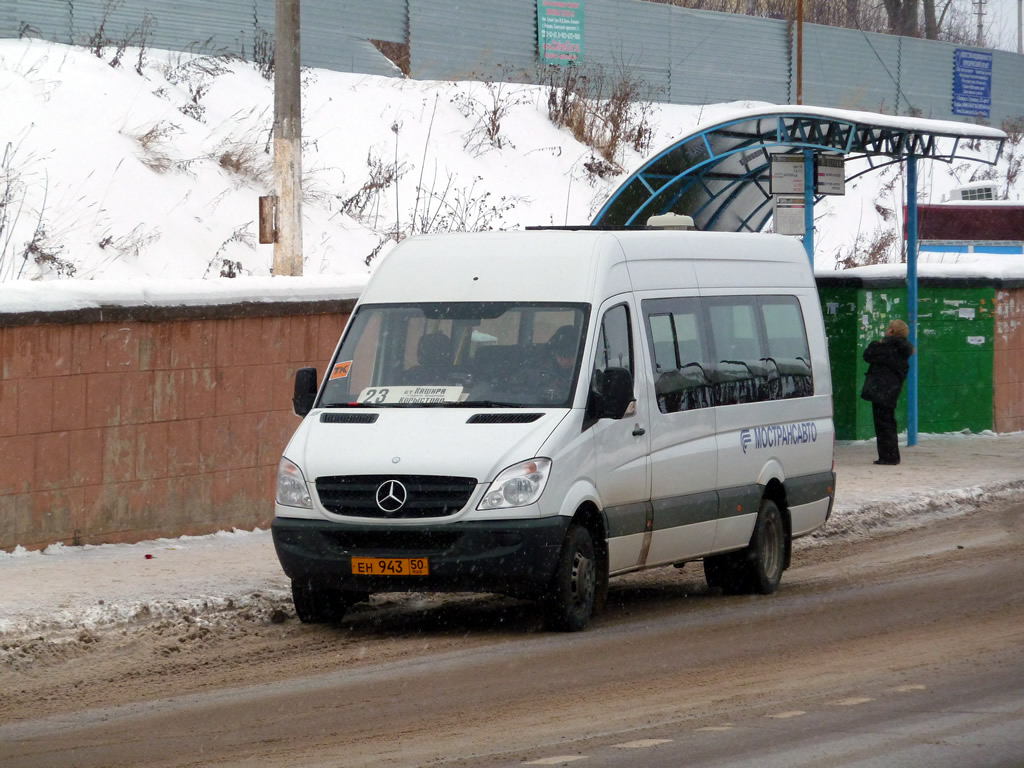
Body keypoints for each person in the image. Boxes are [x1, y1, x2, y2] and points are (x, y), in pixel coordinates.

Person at [860, 318, 915, 465]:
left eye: (889, 328)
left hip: (881, 390)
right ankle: (891, 455)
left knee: (883, 424)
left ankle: (887, 456)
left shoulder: (887, 347)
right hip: (891, 390)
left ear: (892, 331)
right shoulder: (902, 350)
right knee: (889, 422)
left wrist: (875, 343)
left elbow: (868, 355)